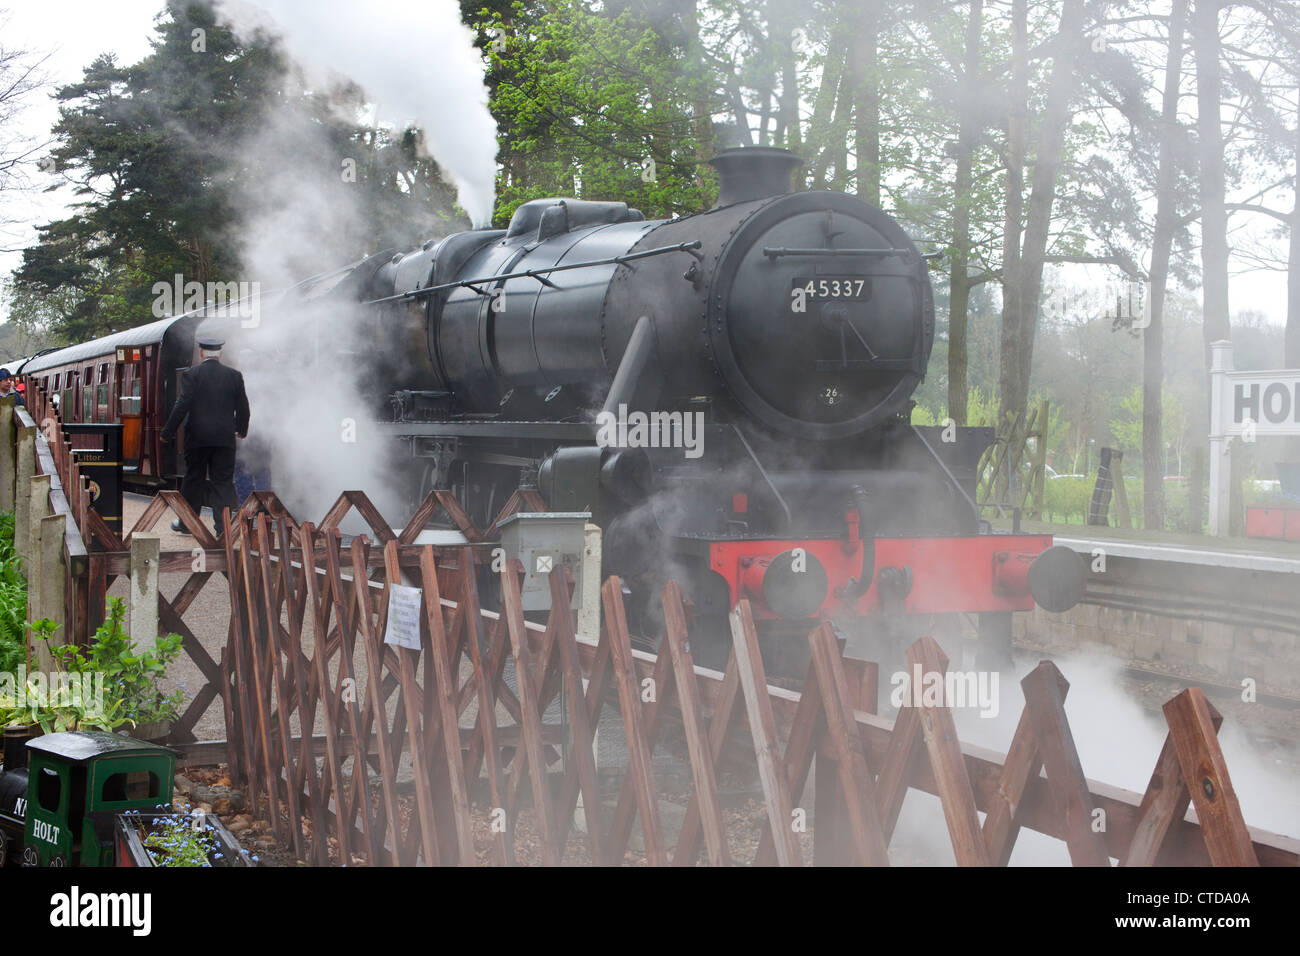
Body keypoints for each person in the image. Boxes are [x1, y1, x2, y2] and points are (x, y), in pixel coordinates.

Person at [160, 334, 250, 536]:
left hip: (198, 439)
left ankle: (187, 523)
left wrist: (167, 432)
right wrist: (241, 430)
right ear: (220, 353)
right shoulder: (234, 376)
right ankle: (223, 528)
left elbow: (181, 405)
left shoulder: (192, 375)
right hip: (224, 440)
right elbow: (243, 407)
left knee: (193, 480)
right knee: (223, 482)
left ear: (201, 353)